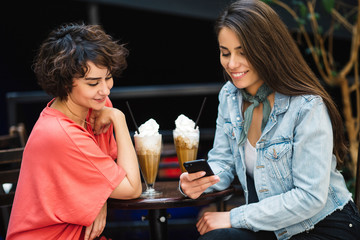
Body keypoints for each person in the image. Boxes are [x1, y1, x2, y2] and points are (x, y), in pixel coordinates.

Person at [179, 0, 360, 239]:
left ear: (267, 49)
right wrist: (197, 182)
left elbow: (310, 197)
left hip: (324, 225)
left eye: (243, 52)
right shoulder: (230, 96)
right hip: (275, 227)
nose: (232, 64)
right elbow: (223, 162)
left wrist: (233, 217)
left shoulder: (306, 106)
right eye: (225, 53)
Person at [7, 23, 142, 240]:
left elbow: (108, 177)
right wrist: (119, 117)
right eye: (92, 83)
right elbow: (131, 188)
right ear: (65, 83)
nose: (105, 89)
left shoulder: (95, 107)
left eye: (108, 78)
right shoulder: (62, 133)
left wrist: (101, 198)